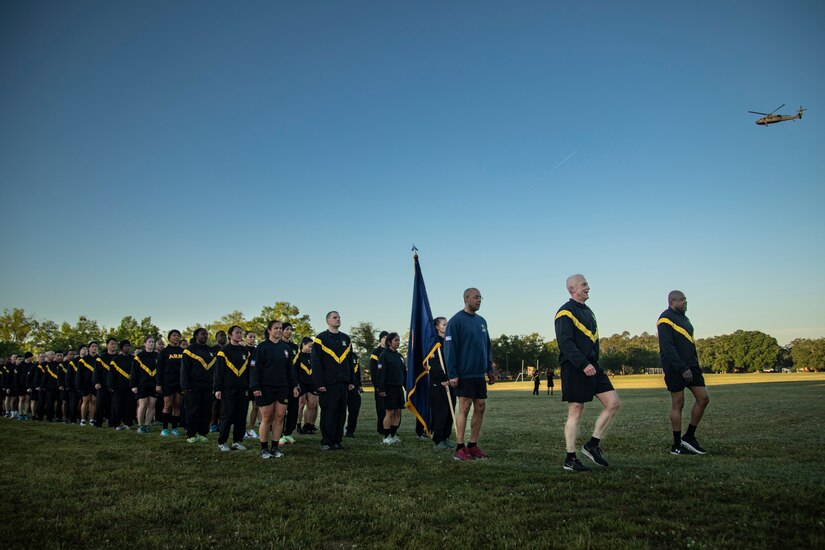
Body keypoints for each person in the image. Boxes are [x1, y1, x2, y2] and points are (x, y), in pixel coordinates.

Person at [555, 274, 621, 472]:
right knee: (576, 410)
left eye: (587, 284)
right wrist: (583, 364)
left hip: (594, 366)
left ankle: (592, 444)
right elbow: (565, 343)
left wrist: (593, 362)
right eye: (584, 285)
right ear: (572, 289)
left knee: (613, 403)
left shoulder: (589, 312)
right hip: (575, 367)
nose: (588, 287)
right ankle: (570, 458)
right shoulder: (565, 312)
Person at [657, 290, 710, 455]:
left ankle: (689, 437)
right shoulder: (665, 318)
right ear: (672, 301)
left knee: (703, 398)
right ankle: (676, 444)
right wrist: (682, 367)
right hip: (675, 367)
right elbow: (667, 347)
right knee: (678, 403)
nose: (685, 302)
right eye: (682, 300)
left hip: (692, 366)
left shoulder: (685, 319)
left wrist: (693, 364)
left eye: (685, 300)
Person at [445, 288, 495, 461]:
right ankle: (460, 447)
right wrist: (452, 373)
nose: (479, 300)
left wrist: (489, 368)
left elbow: (486, 346)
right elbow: (450, 350)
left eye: (480, 297)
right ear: (466, 298)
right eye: (476, 297)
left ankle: (473, 445)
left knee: (480, 406)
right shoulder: (456, 321)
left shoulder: (482, 321)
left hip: (478, 373)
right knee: (464, 407)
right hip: (463, 373)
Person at [251, 321, 299, 459]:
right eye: (276, 328)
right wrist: (255, 387)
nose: (279, 330)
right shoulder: (261, 347)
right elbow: (255, 369)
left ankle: (275, 447)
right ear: (269, 330)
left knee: (279, 417)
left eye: (280, 328)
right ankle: (264, 448)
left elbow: (290, 370)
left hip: (282, 388)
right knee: (267, 418)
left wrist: (295, 385)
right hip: (265, 388)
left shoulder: (286, 349)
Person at [311, 311, 356, 451]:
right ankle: (326, 441)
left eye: (339, 317)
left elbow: (350, 362)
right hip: (328, 383)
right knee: (328, 412)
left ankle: (337, 441)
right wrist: (319, 383)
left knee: (341, 412)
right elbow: (316, 363)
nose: (338, 319)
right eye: (334, 317)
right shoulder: (320, 339)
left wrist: (351, 380)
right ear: (328, 321)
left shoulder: (346, 339)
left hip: (343, 382)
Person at [214, 325, 250, 452]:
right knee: (227, 415)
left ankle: (237, 441)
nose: (239, 335)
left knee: (241, 416)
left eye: (241, 333)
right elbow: (219, 372)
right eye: (237, 333)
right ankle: (222, 441)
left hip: (243, 389)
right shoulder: (223, 351)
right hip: (228, 389)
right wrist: (218, 388)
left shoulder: (246, 351)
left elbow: (249, 371)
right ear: (230, 335)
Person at [181, 328, 216, 443]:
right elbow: (184, 369)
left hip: (208, 385)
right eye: (202, 334)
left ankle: (202, 433)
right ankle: (191, 434)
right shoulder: (189, 350)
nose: (205, 336)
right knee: (193, 410)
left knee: (206, 410)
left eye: (206, 334)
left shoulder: (210, 351)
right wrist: (185, 385)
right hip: (193, 385)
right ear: (196, 336)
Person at [429, 317, 455, 449]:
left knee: (450, 410)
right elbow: (433, 364)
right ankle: (438, 439)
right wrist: (443, 378)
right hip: (439, 383)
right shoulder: (433, 343)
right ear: (437, 327)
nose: (446, 326)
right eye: (444, 324)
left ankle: (446, 437)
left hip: (451, 381)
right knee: (441, 412)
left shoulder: (450, 341)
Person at [375, 333, 406, 445]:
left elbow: (404, 373)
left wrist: (406, 386)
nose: (398, 342)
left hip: (398, 388)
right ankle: (386, 437)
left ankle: (393, 435)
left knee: (398, 411)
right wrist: (381, 389)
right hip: (388, 388)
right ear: (389, 342)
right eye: (396, 340)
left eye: (399, 340)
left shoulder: (399, 356)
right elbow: (381, 373)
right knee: (389, 412)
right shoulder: (384, 355)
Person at [157, 330, 184, 436]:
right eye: (174, 335)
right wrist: (158, 384)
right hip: (167, 382)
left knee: (177, 405)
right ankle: (164, 428)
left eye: (178, 336)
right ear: (169, 338)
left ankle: (175, 428)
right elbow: (159, 369)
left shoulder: (183, 352)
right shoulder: (164, 352)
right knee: (167, 405)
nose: (176, 337)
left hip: (180, 382)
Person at [131, 336, 158, 433]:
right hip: (142, 384)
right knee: (143, 405)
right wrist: (133, 385)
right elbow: (134, 372)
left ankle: (147, 425)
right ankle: (140, 425)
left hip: (154, 384)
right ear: (145, 343)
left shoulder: (157, 355)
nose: (151, 343)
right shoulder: (139, 357)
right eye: (149, 342)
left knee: (151, 405)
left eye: (153, 342)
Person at [279, 323, 300, 445]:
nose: (289, 331)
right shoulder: (277, 345)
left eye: (290, 330)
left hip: (294, 382)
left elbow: (296, 367)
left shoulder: (294, 347)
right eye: (286, 329)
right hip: (281, 383)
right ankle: (280, 434)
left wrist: (297, 383)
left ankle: (288, 433)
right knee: (281, 411)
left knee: (293, 409)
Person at [109, 340, 135, 430]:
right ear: (121, 348)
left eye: (128, 346)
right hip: (118, 386)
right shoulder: (116, 359)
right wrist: (111, 385)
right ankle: (117, 424)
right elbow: (111, 373)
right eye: (125, 346)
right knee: (117, 406)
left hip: (130, 386)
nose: (127, 348)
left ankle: (128, 423)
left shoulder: (134, 358)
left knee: (129, 405)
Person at [295, 337, 318, 434]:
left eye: (312, 347)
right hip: (301, 384)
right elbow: (294, 371)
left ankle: (307, 425)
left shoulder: (313, 356)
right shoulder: (298, 356)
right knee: (301, 405)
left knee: (312, 405)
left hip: (311, 384)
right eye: (309, 346)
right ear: (303, 344)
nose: (310, 349)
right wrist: (296, 384)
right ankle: (298, 425)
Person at [94, 338, 118, 427]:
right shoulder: (101, 358)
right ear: (107, 345)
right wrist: (96, 382)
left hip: (115, 385)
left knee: (113, 405)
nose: (114, 345)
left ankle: (112, 422)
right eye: (112, 344)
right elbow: (96, 371)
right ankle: (98, 422)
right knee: (100, 404)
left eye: (115, 344)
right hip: (102, 385)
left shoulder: (118, 358)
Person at [368, 331, 388, 436]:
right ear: (380, 339)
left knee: (391, 408)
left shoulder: (392, 351)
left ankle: (390, 429)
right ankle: (381, 428)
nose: (385, 339)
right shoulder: (376, 353)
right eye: (383, 337)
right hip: (380, 385)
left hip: (391, 385)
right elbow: (373, 371)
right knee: (381, 408)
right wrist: (377, 386)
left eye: (387, 337)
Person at [209, 330, 227, 433]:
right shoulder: (212, 350)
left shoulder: (228, 349)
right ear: (216, 338)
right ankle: (213, 424)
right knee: (215, 403)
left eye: (225, 335)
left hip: (226, 381)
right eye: (221, 335)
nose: (224, 337)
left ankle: (222, 423)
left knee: (225, 405)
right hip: (215, 380)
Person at [243, 330, 260, 439]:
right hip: (244, 382)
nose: (253, 339)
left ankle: (250, 430)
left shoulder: (258, 350)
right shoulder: (242, 350)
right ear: (245, 338)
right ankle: (242, 430)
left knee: (256, 406)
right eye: (250, 336)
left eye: (254, 336)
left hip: (255, 382)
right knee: (243, 407)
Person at [77, 345, 96, 425]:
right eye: (92, 346)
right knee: (85, 401)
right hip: (85, 383)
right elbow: (79, 373)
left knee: (94, 401)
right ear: (89, 348)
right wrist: (79, 384)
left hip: (95, 383)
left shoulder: (99, 359)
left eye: (96, 346)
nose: (94, 348)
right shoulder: (83, 360)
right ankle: (83, 419)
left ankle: (91, 419)